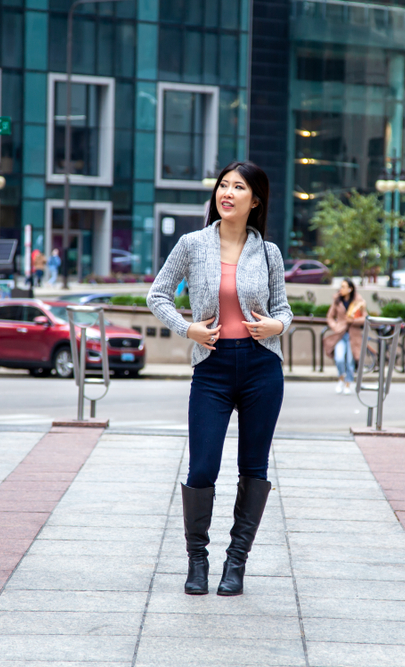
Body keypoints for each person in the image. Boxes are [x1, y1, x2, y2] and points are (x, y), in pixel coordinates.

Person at [147, 161, 292, 597]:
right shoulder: (193, 244)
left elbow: (283, 310)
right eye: (223, 186)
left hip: (261, 366)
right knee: (202, 466)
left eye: (238, 187)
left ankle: (236, 564)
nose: (227, 193)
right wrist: (187, 328)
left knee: (254, 466)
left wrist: (277, 328)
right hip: (210, 367)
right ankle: (198, 561)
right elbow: (157, 294)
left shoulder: (268, 252)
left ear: (256, 199)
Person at [323, 278, 367, 394]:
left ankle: (348, 384)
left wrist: (352, 321)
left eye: (344, 287)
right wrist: (335, 326)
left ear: (350, 289)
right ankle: (341, 379)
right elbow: (330, 316)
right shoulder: (337, 301)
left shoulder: (359, 301)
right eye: (341, 286)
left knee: (350, 362)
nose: (341, 289)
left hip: (353, 336)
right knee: (339, 358)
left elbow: (365, 318)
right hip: (340, 335)